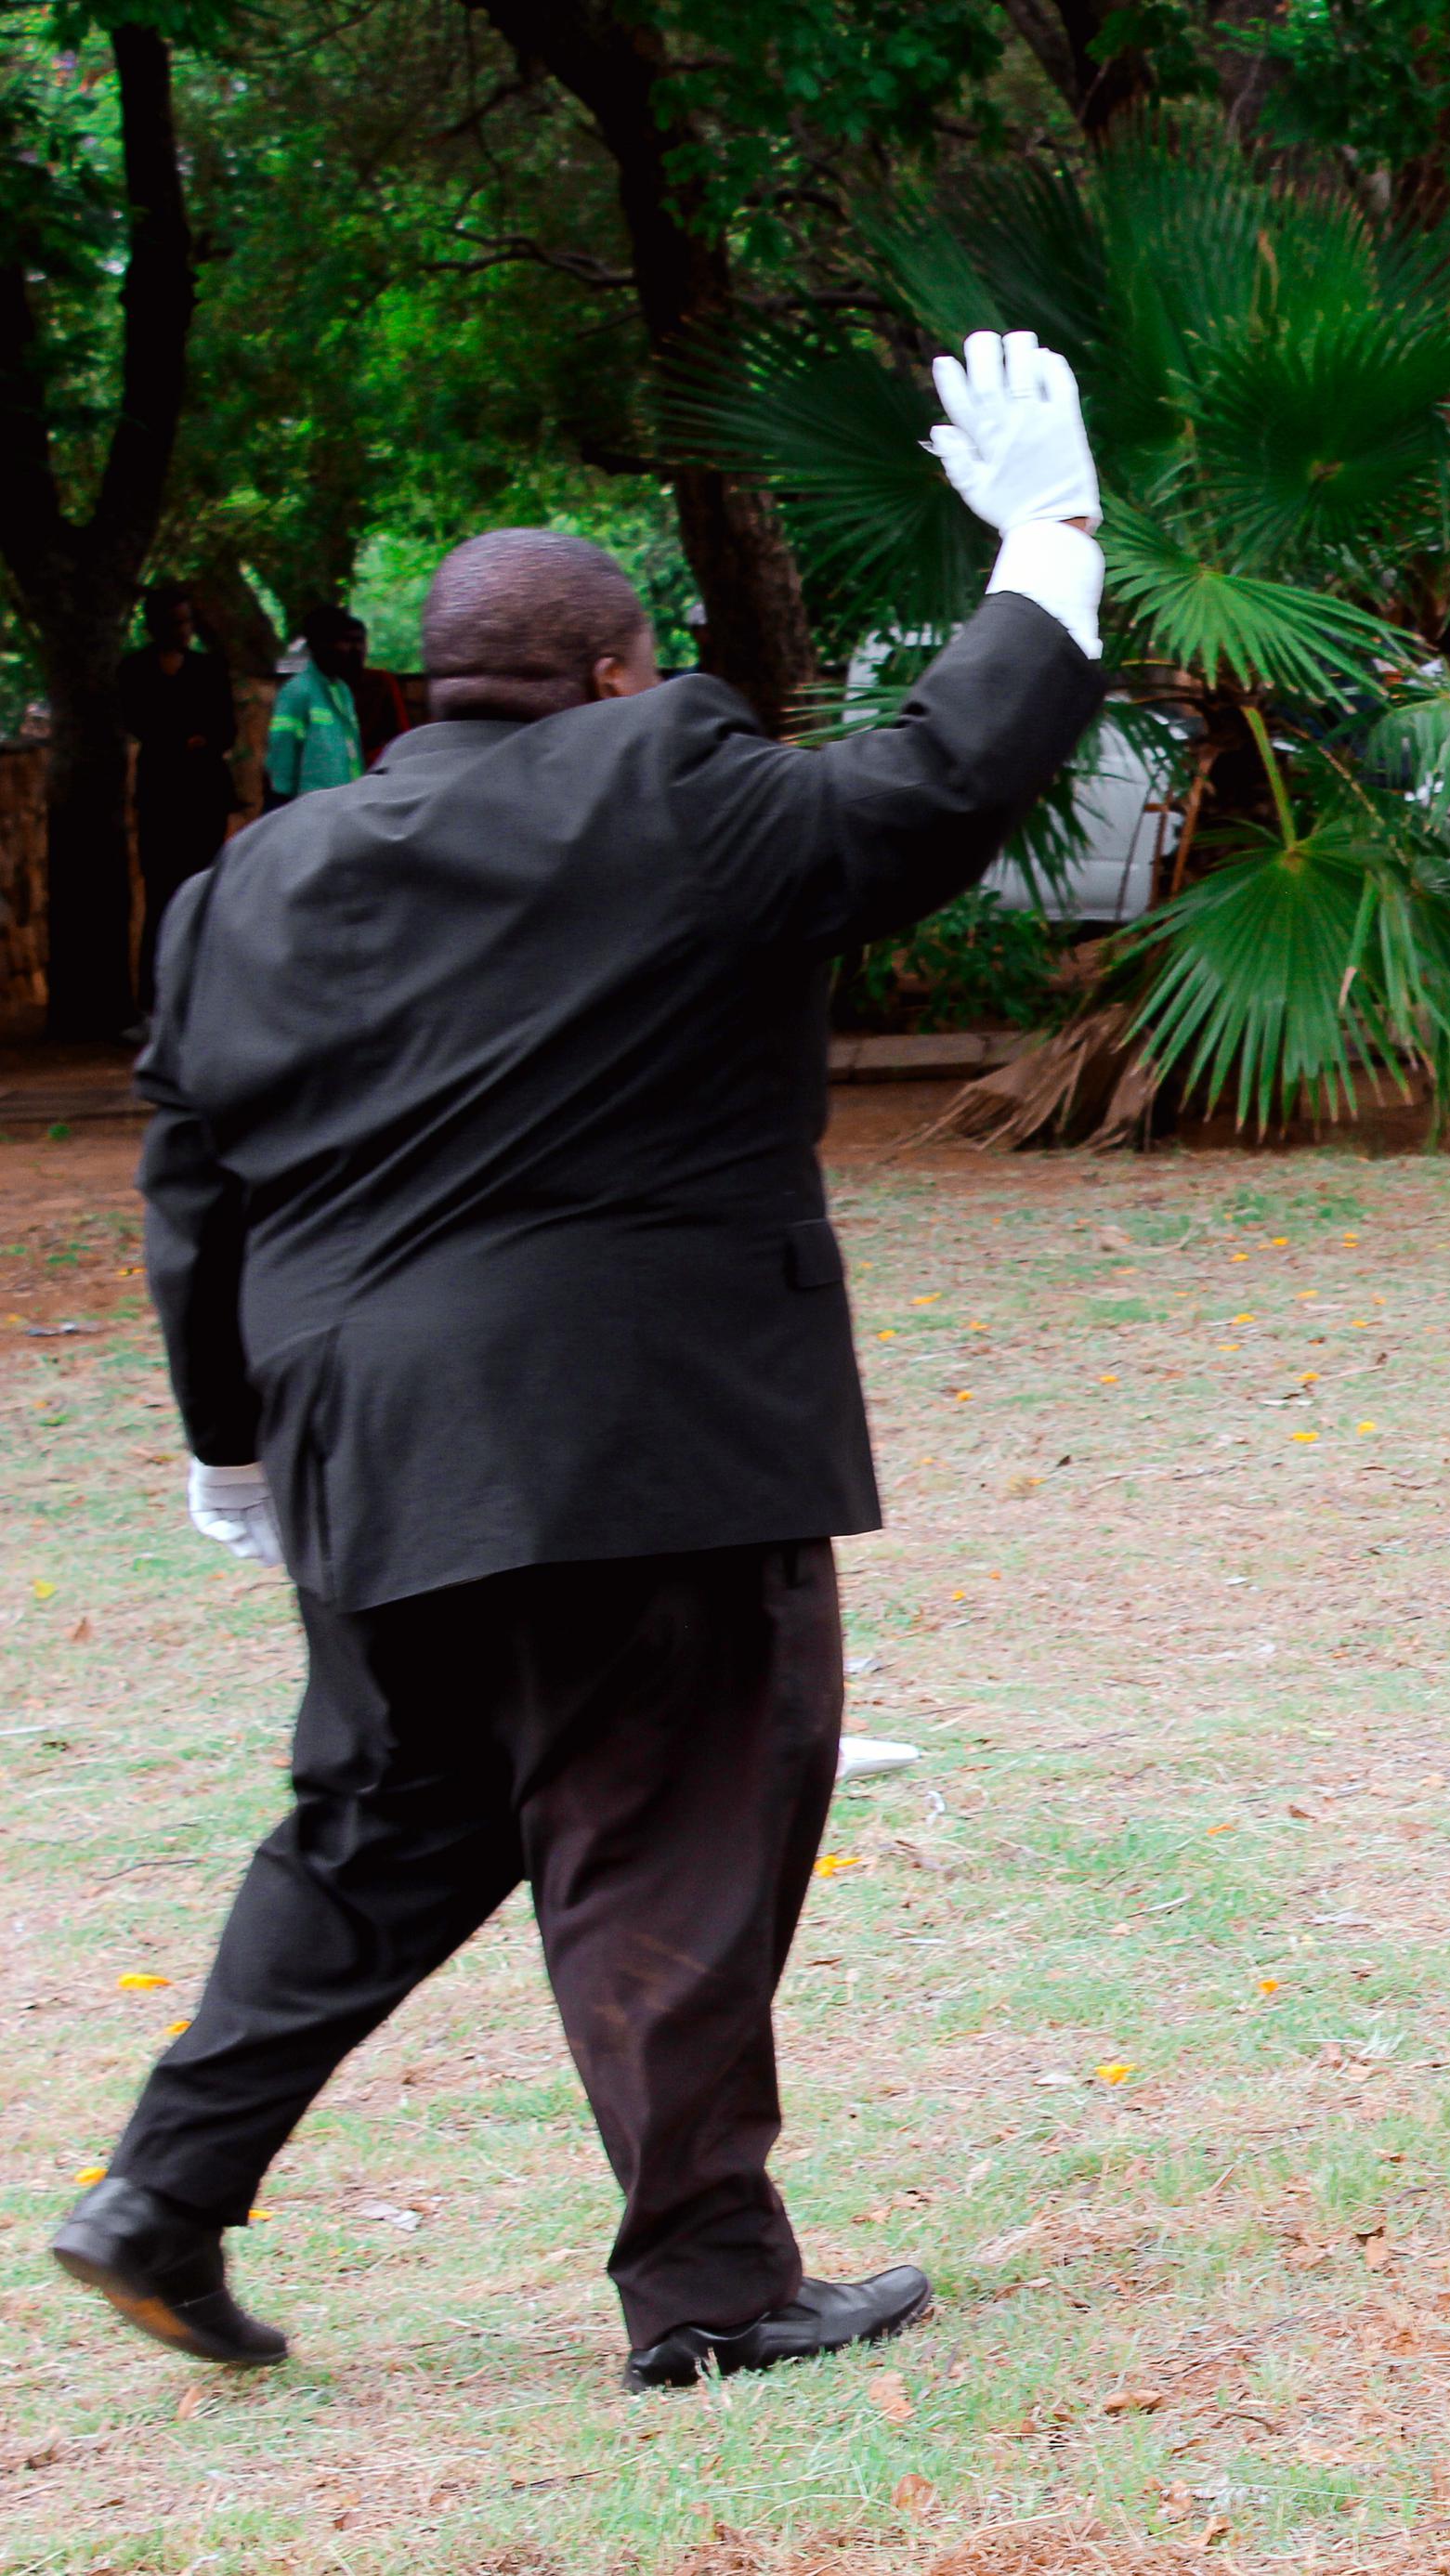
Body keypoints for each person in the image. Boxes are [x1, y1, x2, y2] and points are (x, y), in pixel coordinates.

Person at [45, 332, 1111, 2389]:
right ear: (618, 671)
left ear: (436, 683)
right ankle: (708, 2290)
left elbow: (194, 1183)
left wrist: (228, 1447)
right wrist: (1047, 545)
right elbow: (925, 796)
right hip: (638, 1440)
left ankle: (159, 2194)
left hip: (365, 1445)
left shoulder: (243, 885)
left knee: (380, 1823)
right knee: (674, 1823)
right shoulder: (670, 777)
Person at [113, 588, 242, 1012]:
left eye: (186, 623)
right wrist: (182, 739)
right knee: (160, 896)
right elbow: (141, 723)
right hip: (160, 798)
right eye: (174, 624)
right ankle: (154, 1002)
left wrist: (195, 742)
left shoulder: (208, 670)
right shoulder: (134, 670)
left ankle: (205, 999)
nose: (182, 632)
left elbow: (224, 730)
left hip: (202, 796)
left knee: (204, 890)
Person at [259, 609, 375, 811]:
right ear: (320, 645)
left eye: (360, 641)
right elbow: (281, 758)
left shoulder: (343, 691)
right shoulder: (297, 691)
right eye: (346, 641)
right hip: (309, 811)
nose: (357, 650)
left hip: (344, 806)